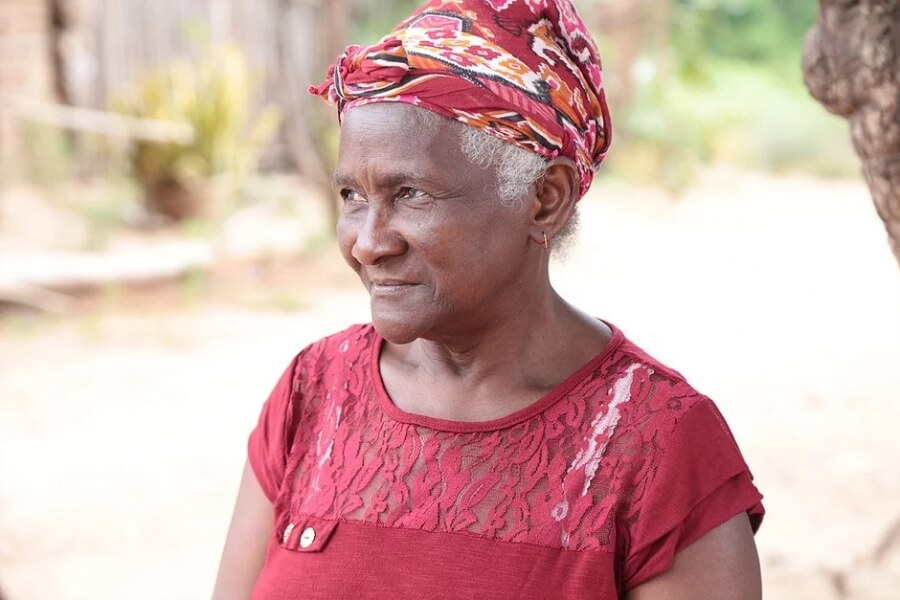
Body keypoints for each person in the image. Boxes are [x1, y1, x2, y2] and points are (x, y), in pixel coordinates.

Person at [213, 1, 764, 598]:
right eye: (352, 195)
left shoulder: (657, 445)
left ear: (545, 199)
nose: (368, 243)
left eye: (411, 193)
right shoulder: (315, 393)